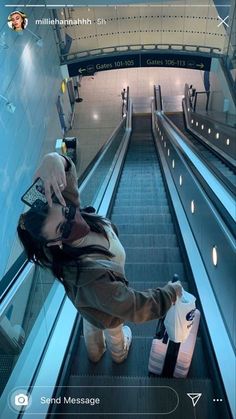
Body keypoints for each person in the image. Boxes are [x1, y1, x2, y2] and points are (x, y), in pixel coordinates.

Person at [17, 153, 182, 364]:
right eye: (64, 227)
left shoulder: (65, 218)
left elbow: (68, 180)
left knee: (91, 324)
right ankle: (119, 354)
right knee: (114, 331)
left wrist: (56, 159)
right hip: (109, 311)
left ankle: (94, 355)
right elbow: (134, 306)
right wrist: (170, 293)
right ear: (53, 243)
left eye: (67, 211)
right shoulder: (91, 279)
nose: (72, 219)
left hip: (89, 306)